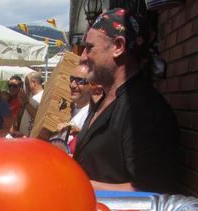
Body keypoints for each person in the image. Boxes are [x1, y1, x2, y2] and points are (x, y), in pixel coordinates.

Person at [73, 8, 179, 193]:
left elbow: (151, 189)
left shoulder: (142, 110)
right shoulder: (107, 99)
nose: (83, 57)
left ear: (118, 46)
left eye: (89, 48)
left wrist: (72, 184)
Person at [17, 71, 44, 136]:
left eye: (26, 84)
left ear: (34, 82)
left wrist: (25, 102)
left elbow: (38, 117)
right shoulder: (29, 96)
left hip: (31, 138)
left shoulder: (43, 97)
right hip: (22, 136)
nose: (26, 87)